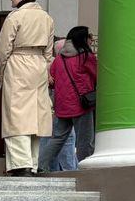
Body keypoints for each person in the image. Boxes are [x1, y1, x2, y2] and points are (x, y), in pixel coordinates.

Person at [0, 0, 55, 176]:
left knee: (16, 114)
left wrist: (1, 71)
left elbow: (3, 48)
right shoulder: (47, 18)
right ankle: (33, 162)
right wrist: (46, 70)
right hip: (39, 64)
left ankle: (21, 164)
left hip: (18, 62)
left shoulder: (15, 16)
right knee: (36, 115)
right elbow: (49, 51)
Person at [38, 26, 97, 169]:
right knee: (85, 141)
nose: (91, 40)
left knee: (57, 139)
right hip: (82, 105)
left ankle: (41, 165)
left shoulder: (59, 59)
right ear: (83, 39)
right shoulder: (86, 57)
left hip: (62, 106)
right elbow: (98, 76)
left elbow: (52, 81)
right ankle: (86, 169)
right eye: (89, 37)